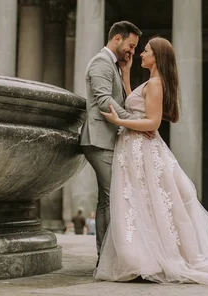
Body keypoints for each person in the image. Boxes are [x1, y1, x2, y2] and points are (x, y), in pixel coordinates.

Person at [95, 37, 208, 285]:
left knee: (150, 201)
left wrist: (120, 122)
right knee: (141, 203)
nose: (141, 54)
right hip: (135, 148)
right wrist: (127, 77)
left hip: (142, 149)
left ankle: (152, 258)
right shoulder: (151, 83)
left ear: (157, 57)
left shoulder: (157, 84)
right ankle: (142, 259)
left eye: (146, 51)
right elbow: (138, 105)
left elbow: (152, 123)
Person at [80, 21, 143, 263]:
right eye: (131, 45)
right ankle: (105, 258)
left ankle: (107, 256)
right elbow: (104, 98)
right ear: (117, 38)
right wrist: (132, 122)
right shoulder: (100, 62)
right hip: (97, 140)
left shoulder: (114, 66)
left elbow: (123, 100)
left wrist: (126, 72)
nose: (132, 52)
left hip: (106, 139)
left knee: (107, 198)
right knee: (110, 198)